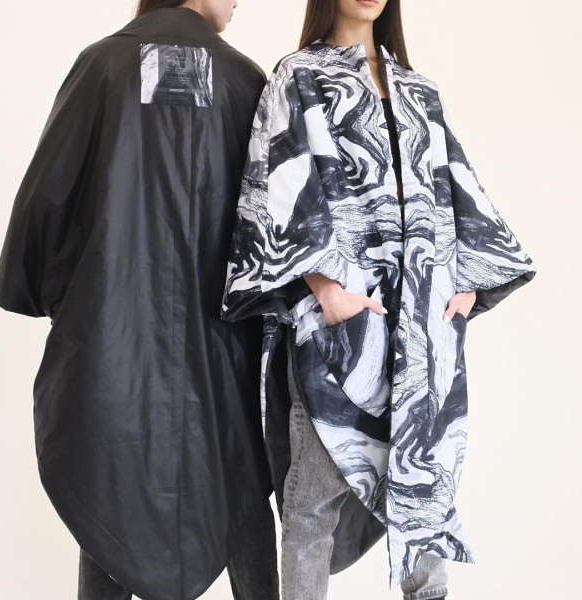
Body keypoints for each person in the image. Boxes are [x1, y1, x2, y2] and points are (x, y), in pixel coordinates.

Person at [220, 0, 537, 599]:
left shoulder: (420, 91)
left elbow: (455, 186)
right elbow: (277, 182)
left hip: (424, 327)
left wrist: (467, 283)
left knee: (425, 490)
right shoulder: (298, 75)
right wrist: (324, 290)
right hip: (339, 328)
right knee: (312, 504)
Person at [0, 2, 280, 599]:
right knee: (241, 491)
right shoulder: (246, 80)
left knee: (111, 504)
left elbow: (49, 196)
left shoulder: (102, 67)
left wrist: (58, 294)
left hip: (111, 340)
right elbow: (277, 223)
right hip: (226, 350)